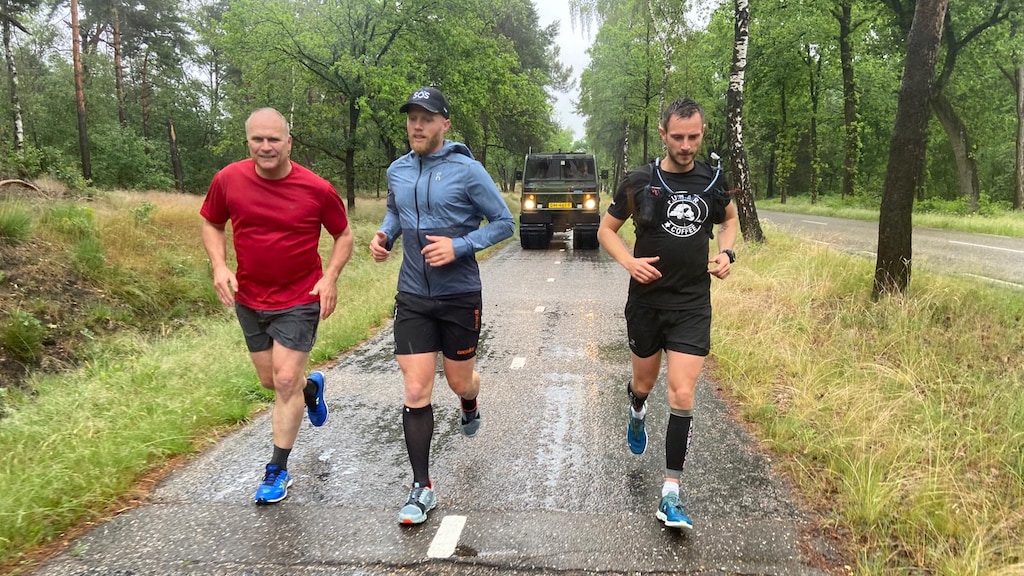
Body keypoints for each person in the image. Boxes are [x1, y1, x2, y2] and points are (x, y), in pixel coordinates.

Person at [369, 87, 514, 525]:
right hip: (412, 294)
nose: (417, 125)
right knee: (415, 390)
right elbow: (395, 211)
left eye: (427, 118)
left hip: (458, 296)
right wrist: (384, 236)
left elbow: (506, 223)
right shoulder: (397, 170)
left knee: (458, 382)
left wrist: (460, 246)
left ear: (444, 124)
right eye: (412, 116)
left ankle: (470, 400)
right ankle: (421, 487)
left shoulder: (467, 171)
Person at [597, 97, 738, 531]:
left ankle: (670, 494)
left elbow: (729, 220)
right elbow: (606, 230)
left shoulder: (714, 179)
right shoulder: (640, 180)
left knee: (681, 394)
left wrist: (726, 252)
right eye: (677, 137)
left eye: (694, 136)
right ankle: (637, 409)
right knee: (644, 383)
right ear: (663, 134)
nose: (686, 145)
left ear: (702, 131)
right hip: (647, 304)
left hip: (692, 304)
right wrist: (630, 263)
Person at [200, 107, 354, 505]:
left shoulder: (316, 188)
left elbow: (343, 235)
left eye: (273, 139)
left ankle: (277, 470)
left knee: (284, 381)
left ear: (289, 142)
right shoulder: (228, 179)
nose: (265, 146)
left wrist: (330, 277)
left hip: (300, 297)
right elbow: (212, 223)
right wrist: (219, 265)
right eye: (257, 139)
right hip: (249, 298)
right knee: (272, 381)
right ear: (248, 141)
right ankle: (311, 389)